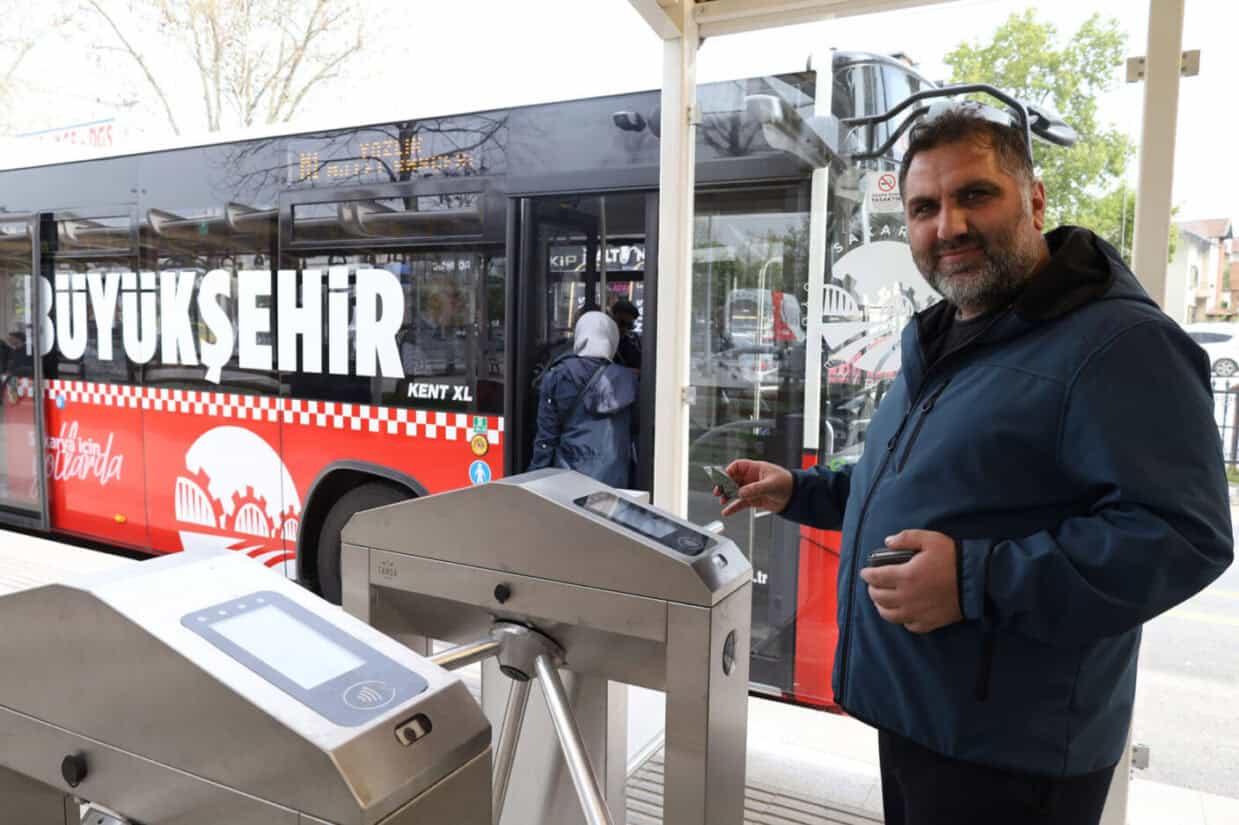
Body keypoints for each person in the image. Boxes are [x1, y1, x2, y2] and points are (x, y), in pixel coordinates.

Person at [717, 103, 1233, 825]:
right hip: (922, 716)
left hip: (1010, 756)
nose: (947, 226)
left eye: (974, 195)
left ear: (1034, 199)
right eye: (924, 207)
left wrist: (972, 582)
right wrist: (799, 491)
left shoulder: (1118, 345)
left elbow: (1184, 535)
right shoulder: (946, 335)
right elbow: (926, 484)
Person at [528, 311, 638, 487]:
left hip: (569, 474)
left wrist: (534, 477)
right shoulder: (628, 379)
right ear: (612, 338)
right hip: (615, 474)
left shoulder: (559, 375)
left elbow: (546, 437)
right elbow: (635, 428)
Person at [609, 298, 642, 370]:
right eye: (622, 324)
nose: (625, 329)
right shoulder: (604, 342)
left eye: (630, 325)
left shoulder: (633, 343)